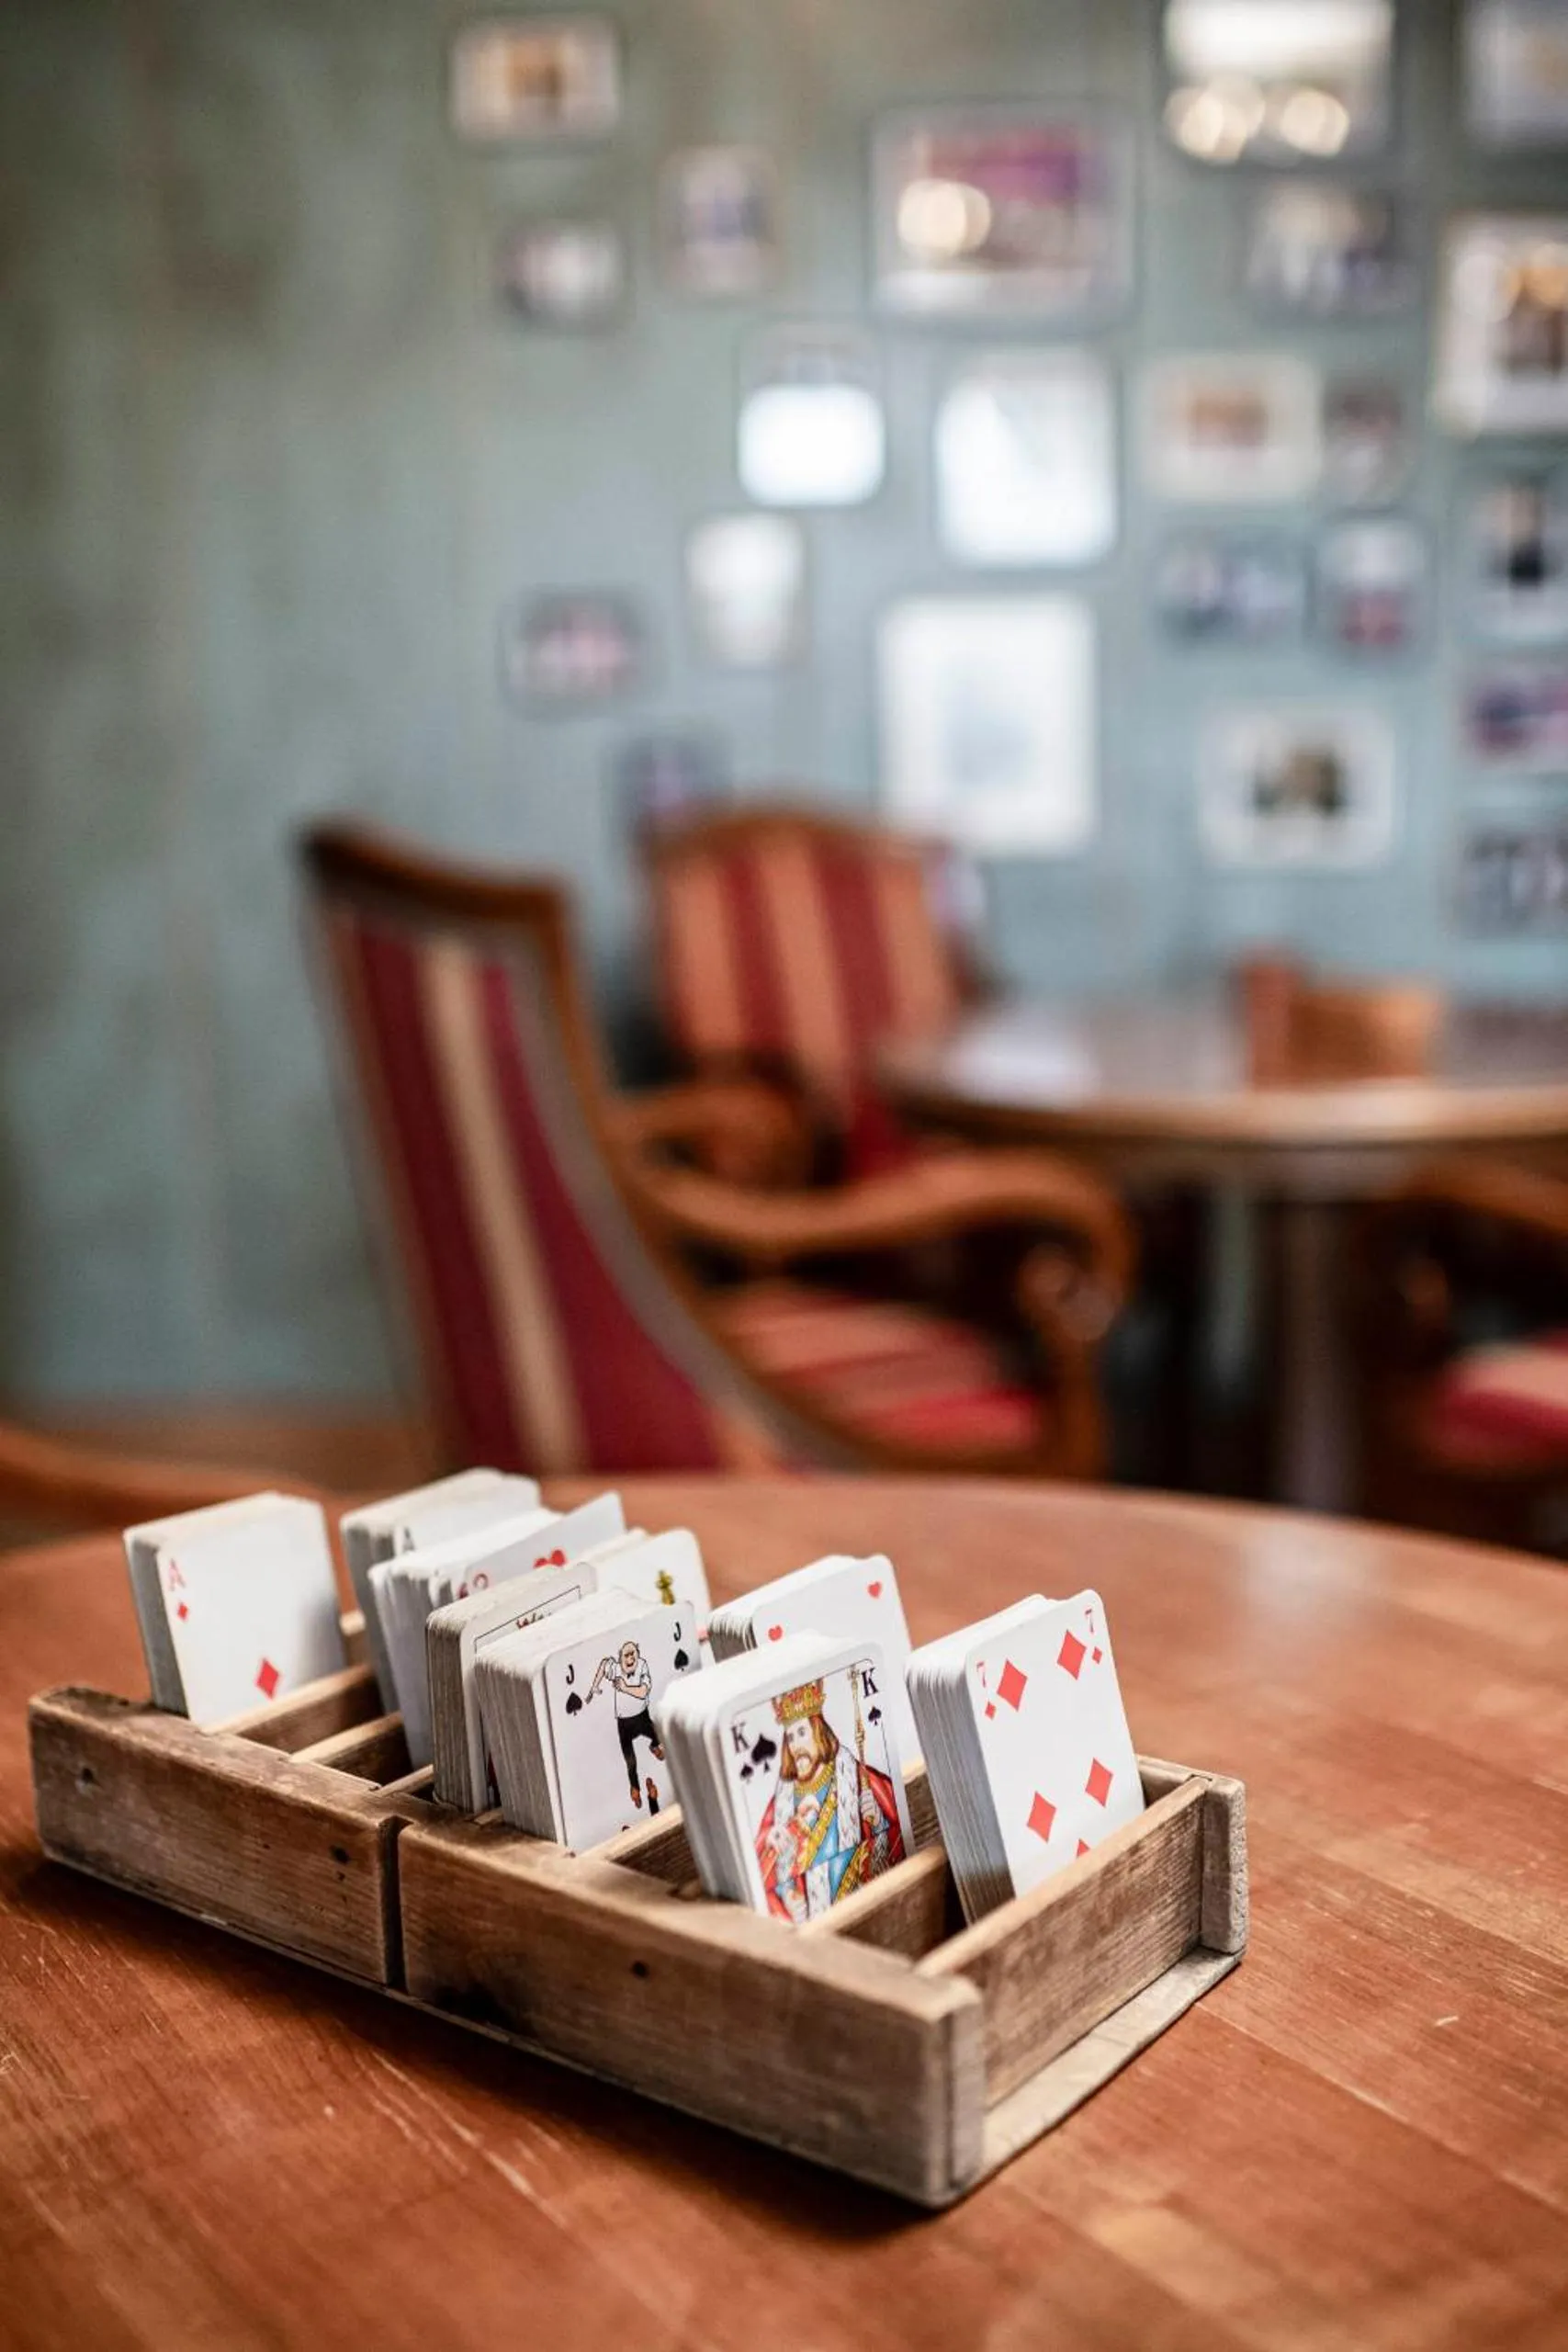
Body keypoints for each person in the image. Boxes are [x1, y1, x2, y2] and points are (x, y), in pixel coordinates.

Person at [754, 1677, 905, 1922]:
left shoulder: (854, 1775)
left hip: (868, 1906)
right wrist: (788, 1895)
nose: (795, 1746)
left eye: (801, 1733)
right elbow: (766, 1871)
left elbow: (896, 1831)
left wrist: (876, 1819)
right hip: (816, 1927)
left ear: (818, 1732)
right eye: (790, 1738)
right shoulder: (781, 1801)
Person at [588, 1640, 662, 1807]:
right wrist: (594, 1686)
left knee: (659, 1733)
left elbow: (643, 1692)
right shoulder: (615, 1668)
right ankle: (634, 1788)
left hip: (642, 1717)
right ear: (620, 1657)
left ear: (638, 1653)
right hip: (624, 1724)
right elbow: (604, 1664)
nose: (630, 1659)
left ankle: (655, 1746)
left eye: (632, 1654)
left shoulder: (642, 1666)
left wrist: (625, 1687)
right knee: (631, 1761)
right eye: (626, 1656)